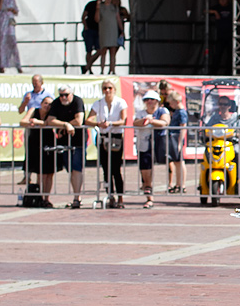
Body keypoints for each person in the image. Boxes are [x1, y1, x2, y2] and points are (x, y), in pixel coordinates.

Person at [86, 79, 128, 209]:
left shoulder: (120, 102)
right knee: (106, 168)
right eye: (105, 88)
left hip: (115, 136)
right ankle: (110, 196)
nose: (107, 91)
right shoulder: (98, 103)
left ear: (114, 90)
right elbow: (88, 120)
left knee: (116, 168)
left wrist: (110, 123)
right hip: (103, 137)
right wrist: (98, 124)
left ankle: (120, 196)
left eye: (110, 88)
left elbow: (123, 120)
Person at [45, 85, 87, 209]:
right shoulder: (56, 103)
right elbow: (50, 120)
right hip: (63, 140)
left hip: (78, 140)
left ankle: (77, 197)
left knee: (76, 168)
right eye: (61, 95)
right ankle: (75, 195)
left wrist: (67, 125)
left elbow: (79, 120)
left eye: (66, 95)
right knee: (69, 168)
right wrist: (66, 125)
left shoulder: (77, 101)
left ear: (71, 94)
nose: (63, 97)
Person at [134, 90, 170, 209]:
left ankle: (171, 185)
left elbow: (164, 122)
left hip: (159, 142)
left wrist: (151, 121)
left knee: (169, 164)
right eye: (147, 100)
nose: (150, 102)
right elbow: (135, 123)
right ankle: (149, 196)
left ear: (157, 101)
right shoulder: (141, 112)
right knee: (145, 169)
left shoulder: (162, 111)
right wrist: (145, 120)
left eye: (152, 100)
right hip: (144, 143)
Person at [20, 95, 57, 207]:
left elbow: (50, 123)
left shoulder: (52, 114)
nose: (47, 106)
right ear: (41, 103)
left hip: (48, 142)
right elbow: (23, 121)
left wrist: (38, 122)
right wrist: (30, 123)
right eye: (45, 103)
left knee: (49, 173)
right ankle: (39, 197)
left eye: (50, 104)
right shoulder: (33, 110)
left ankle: (46, 198)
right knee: (39, 173)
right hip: (35, 143)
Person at [96, 0, 122, 75]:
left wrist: (121, 30)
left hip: (113, 32)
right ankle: (102, 70)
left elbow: (118, 19)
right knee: (103, 51)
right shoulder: (101, 7)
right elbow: (97, 19)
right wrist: (97, 8)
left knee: (113, 52)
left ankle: (112, 70)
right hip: (104, 32)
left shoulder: (114, 8)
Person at [166, 90, 187, 194]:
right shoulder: (177, 112)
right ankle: (178, 183)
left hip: (177, 138)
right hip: (173, 138)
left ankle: (182, 184)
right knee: (176, 162)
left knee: (180, 162)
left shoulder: (182, 112)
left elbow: (183, 128)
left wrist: (180, 142)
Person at [82, 0, 104, 74]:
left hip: (99, 31)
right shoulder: (90, 4)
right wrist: (86, 27)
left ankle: (87, 66)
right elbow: (83, 16)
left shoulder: (104, 6)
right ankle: (89, 69)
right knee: (89, 50)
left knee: (99, 50)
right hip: (90, 30)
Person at [208, 0, 232, 71]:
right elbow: (205, 11)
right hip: (220, 35)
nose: (222, 1)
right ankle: (213, 72)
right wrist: (215, 13)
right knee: (217, 54)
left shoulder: (231, 7)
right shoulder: (217, 8)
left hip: (231, 35)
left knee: (230, 55)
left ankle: (229, 72)